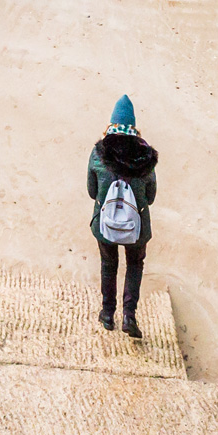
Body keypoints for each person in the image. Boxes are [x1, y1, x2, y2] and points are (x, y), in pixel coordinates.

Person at [87, 95, 158, 338]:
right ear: (133, 129)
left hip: (104, 225)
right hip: (137, 228)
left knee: (109, 264)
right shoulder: (145, 158)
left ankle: (107, 315)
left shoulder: (98, 154)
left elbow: (91, 192)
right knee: (135, 264)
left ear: (111, 127)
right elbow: (151, 197)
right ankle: (129, 316)